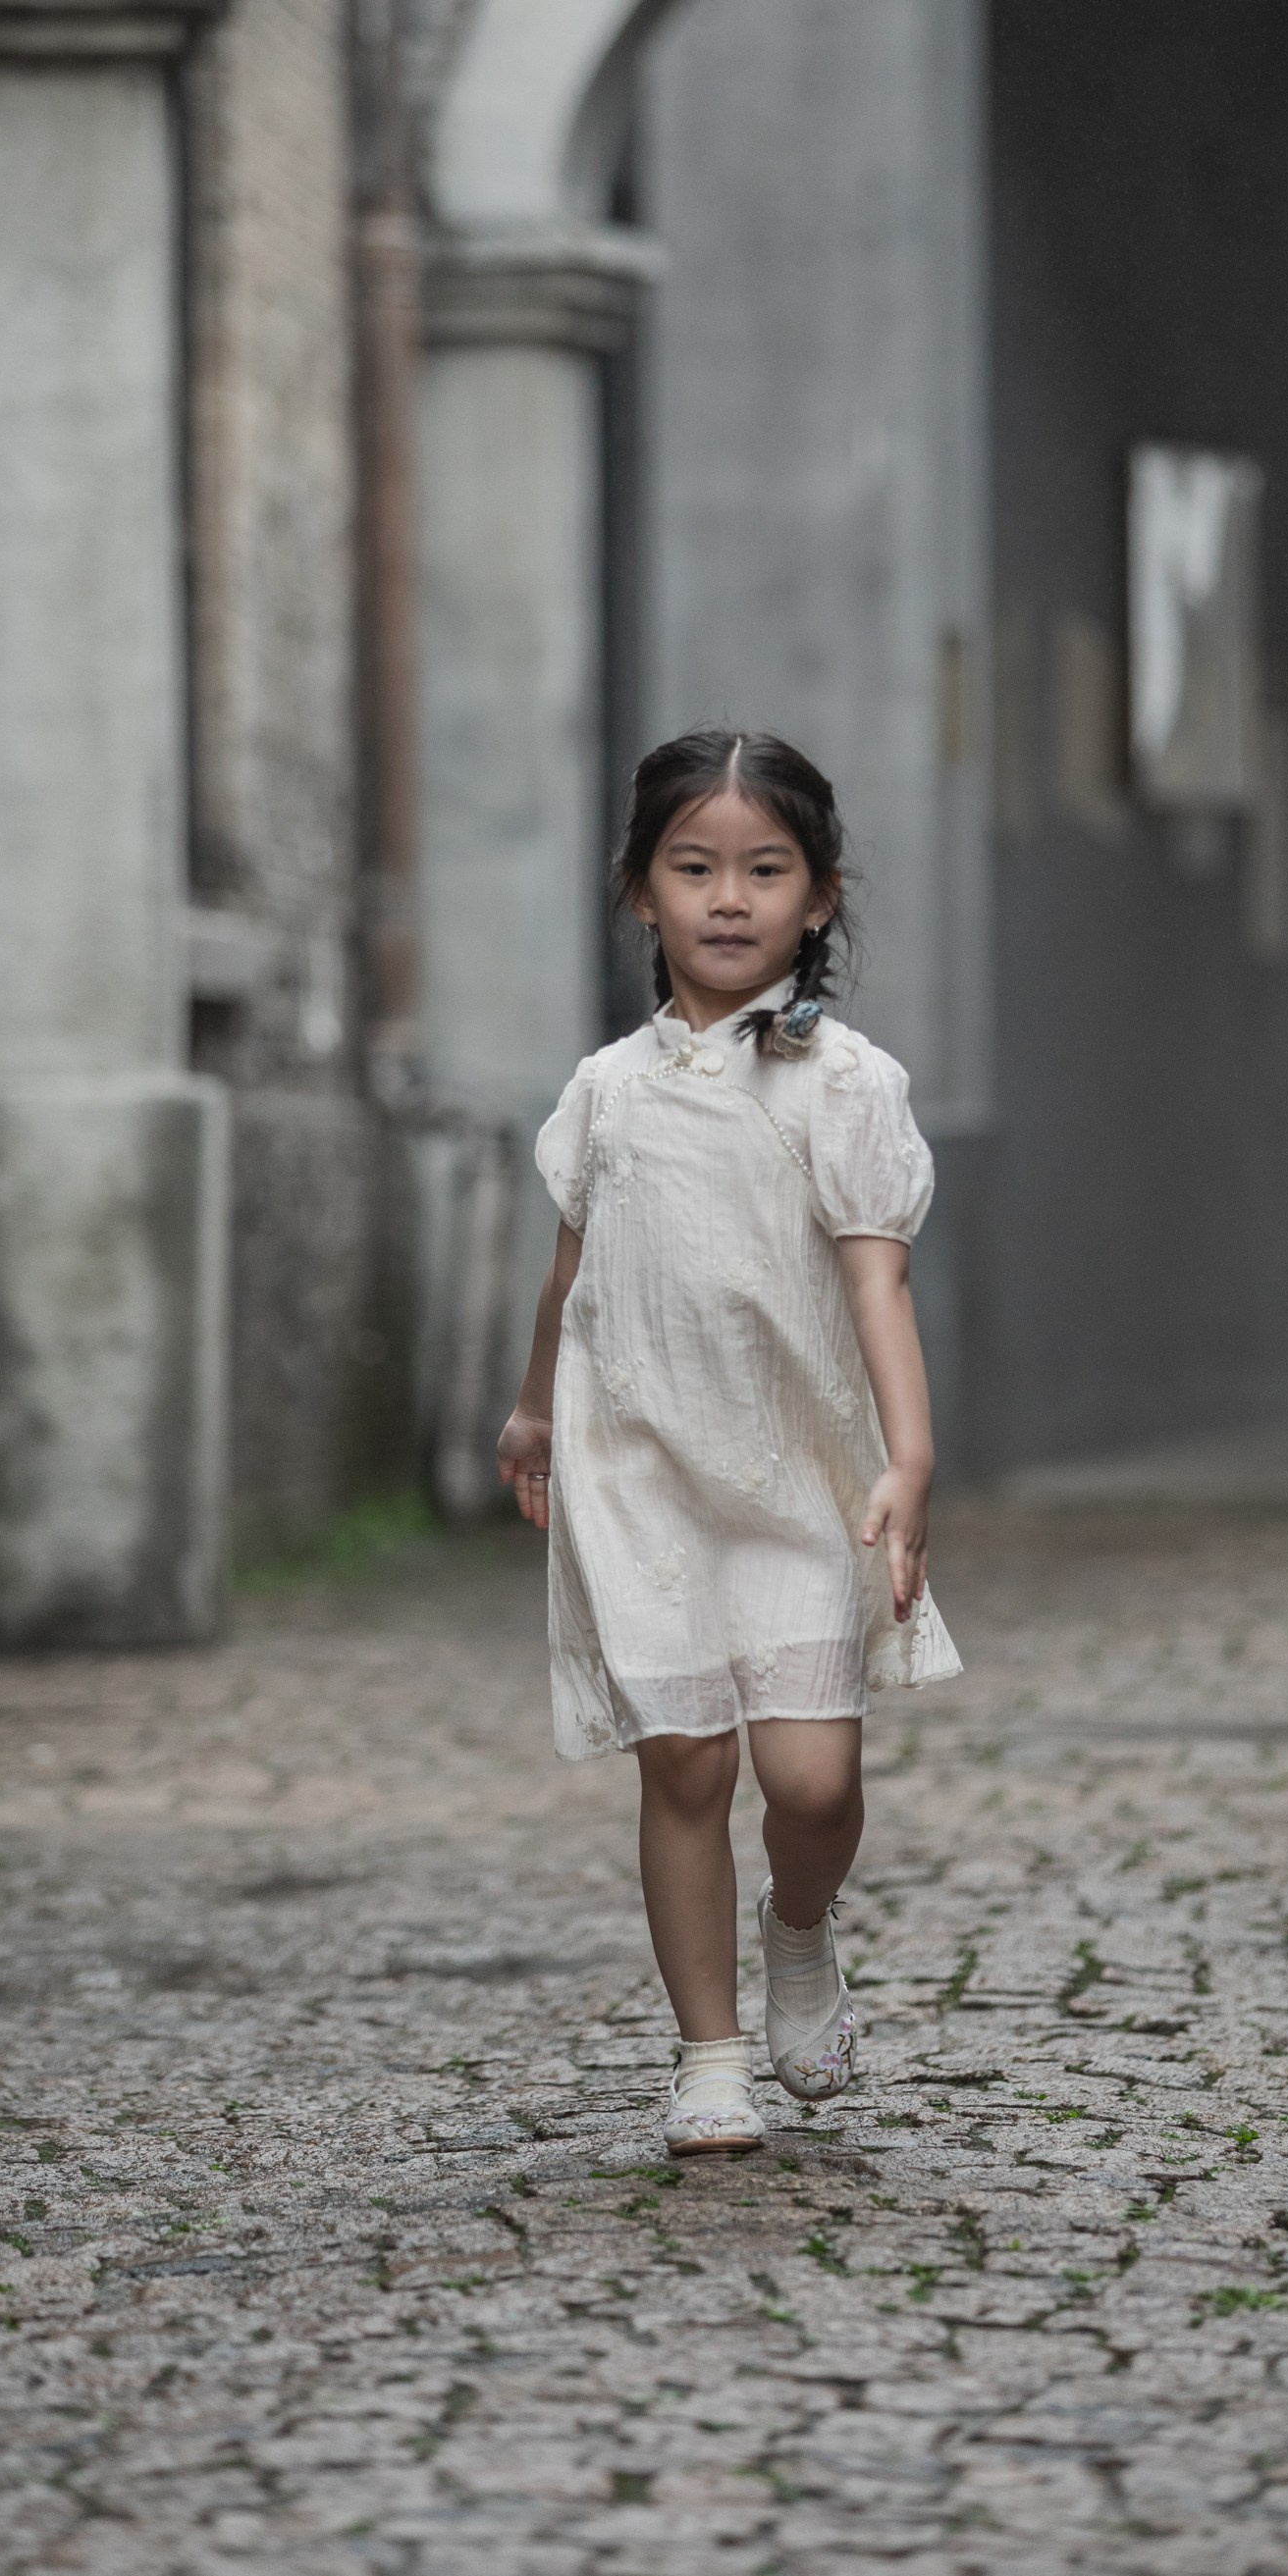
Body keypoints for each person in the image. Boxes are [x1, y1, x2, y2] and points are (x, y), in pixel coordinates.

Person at [497, 726, 961, 2156]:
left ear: (820, 897)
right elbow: (575, 1274)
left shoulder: (846, 1087)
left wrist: (908, 1453)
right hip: (638, 1471)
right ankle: (707, 2054)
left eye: (766, 869)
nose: (729, 898)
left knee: (813, 1781)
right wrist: (529, 1411)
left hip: (794, 1475)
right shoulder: (606, 1092)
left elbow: (877, 1281)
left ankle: (800, 1929)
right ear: (641, 891)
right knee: (685, 1762)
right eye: (693, 867)